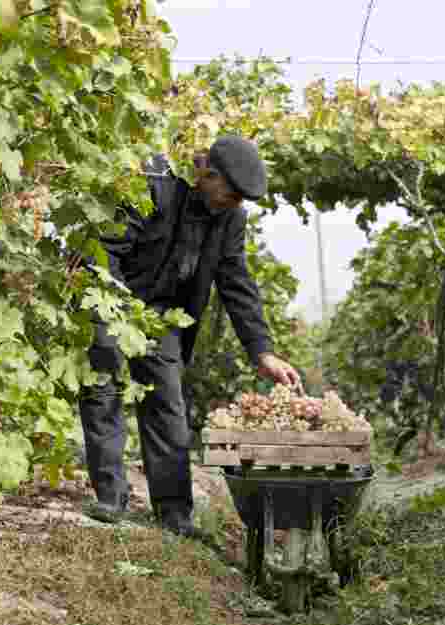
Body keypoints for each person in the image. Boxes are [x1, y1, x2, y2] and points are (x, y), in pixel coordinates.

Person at [80, 135, 301, 536]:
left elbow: (236, 282)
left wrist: (262, 351)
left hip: (162, 315)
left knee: (167, 403)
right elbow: (106, 244)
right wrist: (112, 305)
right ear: (207, 173)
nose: (234, 204)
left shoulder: (230, 218)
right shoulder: (156, 184)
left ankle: (174, 515)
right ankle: (110, 497)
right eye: (230, 194)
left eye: (239, 200)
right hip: (111, 296)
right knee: (103, 383)